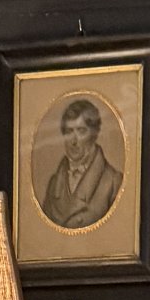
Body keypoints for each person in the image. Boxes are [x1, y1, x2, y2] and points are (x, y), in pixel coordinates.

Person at [41, 96, 122, 230]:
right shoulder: (54, 183)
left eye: (81, 131)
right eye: (69, 131)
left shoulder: (113, 182)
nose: (73, 141)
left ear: (94, 134)